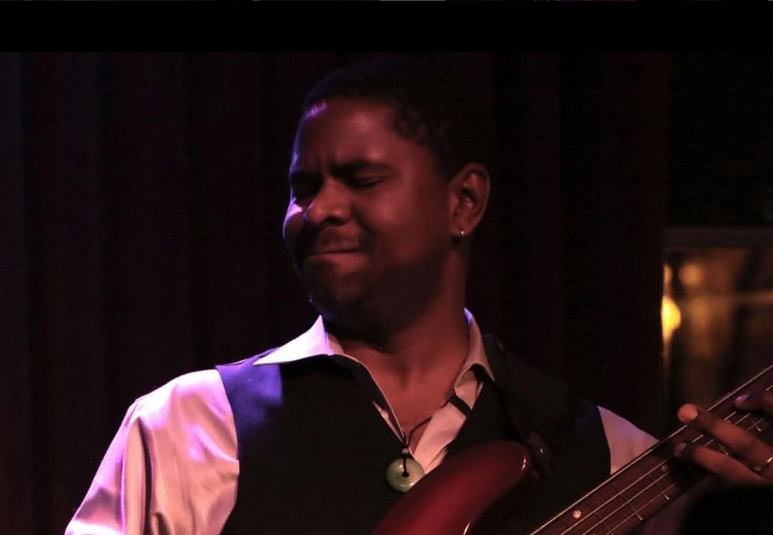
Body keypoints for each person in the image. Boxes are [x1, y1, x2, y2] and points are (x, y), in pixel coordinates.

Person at [65, 57, 772, 535]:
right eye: (302, 187)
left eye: (361, 180)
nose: (318, 210)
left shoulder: (609, 454)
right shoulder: (188, 428)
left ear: (463, 201)